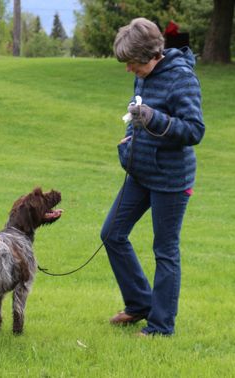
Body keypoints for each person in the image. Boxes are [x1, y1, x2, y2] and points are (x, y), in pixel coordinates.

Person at [101, 18, 205, 336]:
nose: (129, 70)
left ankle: (160, 326)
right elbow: (137, 114)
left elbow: (194, 130)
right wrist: (128, 143)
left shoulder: (181, 78)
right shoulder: (143, 76)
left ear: (151, 55)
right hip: (141, 174)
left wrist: (154, 118)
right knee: (112, 234)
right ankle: (139, 304)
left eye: (132, 63)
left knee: (165, 250)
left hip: (172, 180)